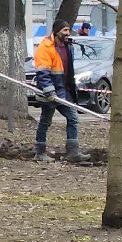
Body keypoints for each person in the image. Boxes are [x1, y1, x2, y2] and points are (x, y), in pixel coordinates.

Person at [31, 21, 85, 163]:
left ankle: (73, 152)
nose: (68, 33)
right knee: (45, 121)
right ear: (56, 31)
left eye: (69, 30)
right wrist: (49, 92)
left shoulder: (68, 47)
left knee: (73, 118)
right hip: (49, 93)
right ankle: (40, 152)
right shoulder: (45, 48)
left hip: (63, 92)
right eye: (65, 30)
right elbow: (43, 73)